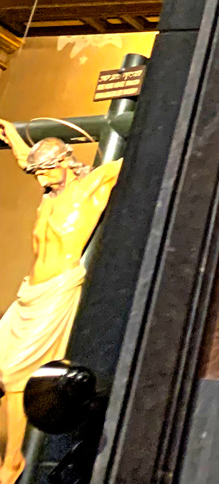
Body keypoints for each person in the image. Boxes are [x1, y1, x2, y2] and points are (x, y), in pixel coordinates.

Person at [0, 124, 121, 484]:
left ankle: (12, 461)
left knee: (16, 377)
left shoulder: (88, 189)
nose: (40, 181)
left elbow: (139, 156)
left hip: (55, 292)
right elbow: (27, 160)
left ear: (66, 163)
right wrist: (13, 134)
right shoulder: (49, 193)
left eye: (46, 172)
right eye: (37, 174)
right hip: (28, 294)